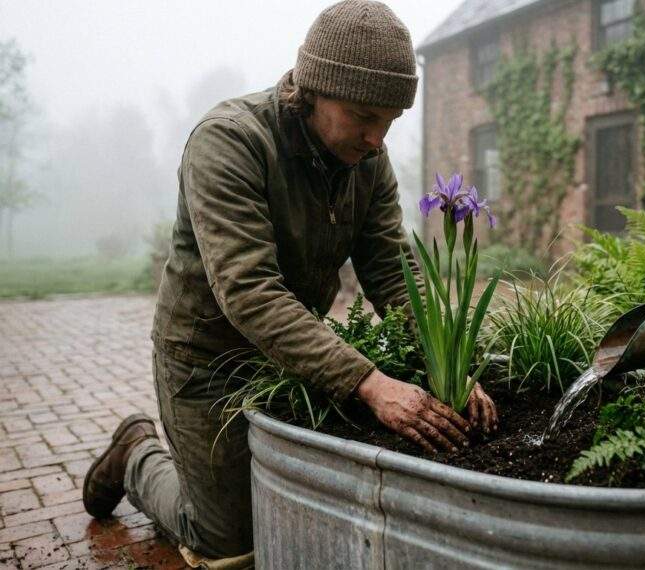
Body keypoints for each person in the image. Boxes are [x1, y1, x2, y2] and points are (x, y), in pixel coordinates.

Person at [81, 0, 498, 560]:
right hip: (205, 358)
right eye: (365, 117)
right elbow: (249, 291)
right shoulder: (230, 143)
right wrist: (369, 383)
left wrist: (447, 358)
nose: (378, 139)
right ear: (316, 90)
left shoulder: (366, 162)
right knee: (225, 540)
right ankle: (136, 454)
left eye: (391, 121)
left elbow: (394, 274)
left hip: (287, 355)